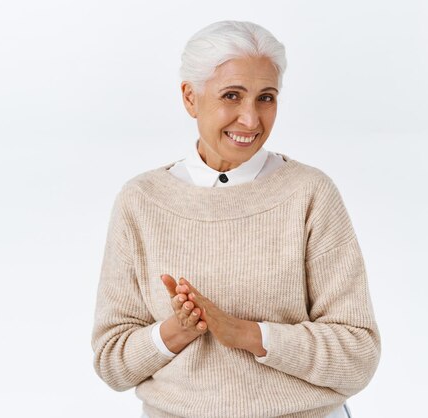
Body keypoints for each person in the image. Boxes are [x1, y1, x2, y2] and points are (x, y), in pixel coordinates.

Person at [91, 20, 380, 418]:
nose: (251, 119)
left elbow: (358, 354)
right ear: (190, 98)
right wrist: (177, 331)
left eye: (266, 97)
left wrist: (248, 335)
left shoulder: (310, 193)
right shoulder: (141, 201)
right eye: (232, 95)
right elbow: (112, 363)